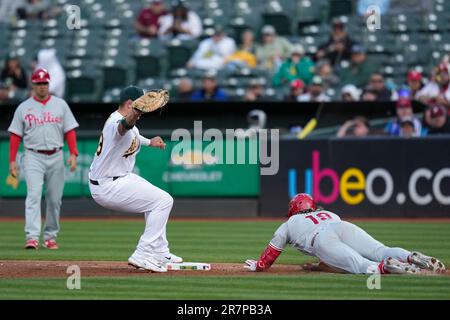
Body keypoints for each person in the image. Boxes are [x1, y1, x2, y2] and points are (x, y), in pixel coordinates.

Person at [88, 86, 181, 273]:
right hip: (108, 185)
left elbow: (132, 133)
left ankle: (160, 251)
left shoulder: (128, 123)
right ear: (131, 104)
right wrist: (136, 112)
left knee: (156, 198)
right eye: (141, 102)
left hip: (119, 178)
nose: (147, 105)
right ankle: (143, 253)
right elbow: (124, 127)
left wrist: (150, 142)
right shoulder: (116, 122)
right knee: (163, 201)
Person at [244, 193, 445, 275]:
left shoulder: (289, 223)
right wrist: (318, 266)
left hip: (320, 239)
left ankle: (386, 267)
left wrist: (259, 265)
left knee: (359, 265)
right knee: (379, 249)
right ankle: (410, 256)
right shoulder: (328, 212)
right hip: (341, 225)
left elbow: (272, 251)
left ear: (293, 208)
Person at [7, 68, 79, 250]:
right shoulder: (23, 107)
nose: (42, 86)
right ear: (33, 84)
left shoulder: (60, 105)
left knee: (54, 199)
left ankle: (50, 236)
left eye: (44, 83)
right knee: (33, 196)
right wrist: (12, 160)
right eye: (38, 83)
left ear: (48, 84)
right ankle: (31, 237)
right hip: (32, 156)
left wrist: (73, 153)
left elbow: (69, 130)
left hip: (56, 155)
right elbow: (15, 135)